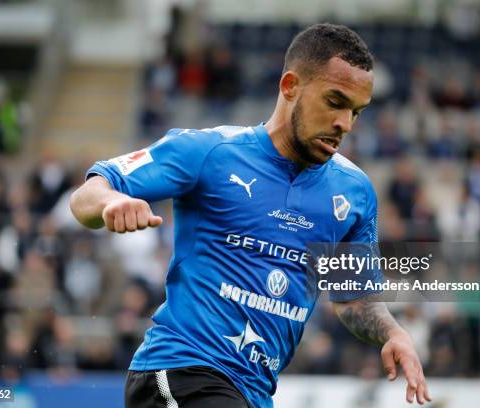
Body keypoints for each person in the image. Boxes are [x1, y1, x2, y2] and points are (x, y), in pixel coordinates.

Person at [70, 23, 430, 407]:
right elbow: (87, 196)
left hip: (253, 394)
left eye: (356, 112)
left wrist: (393, 332)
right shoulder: (210, 152)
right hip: (180, 372)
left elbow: (354, 299)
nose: (345, 124)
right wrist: (110, 203)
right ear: (290, 86)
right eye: (334, 102)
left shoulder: (353, 193)